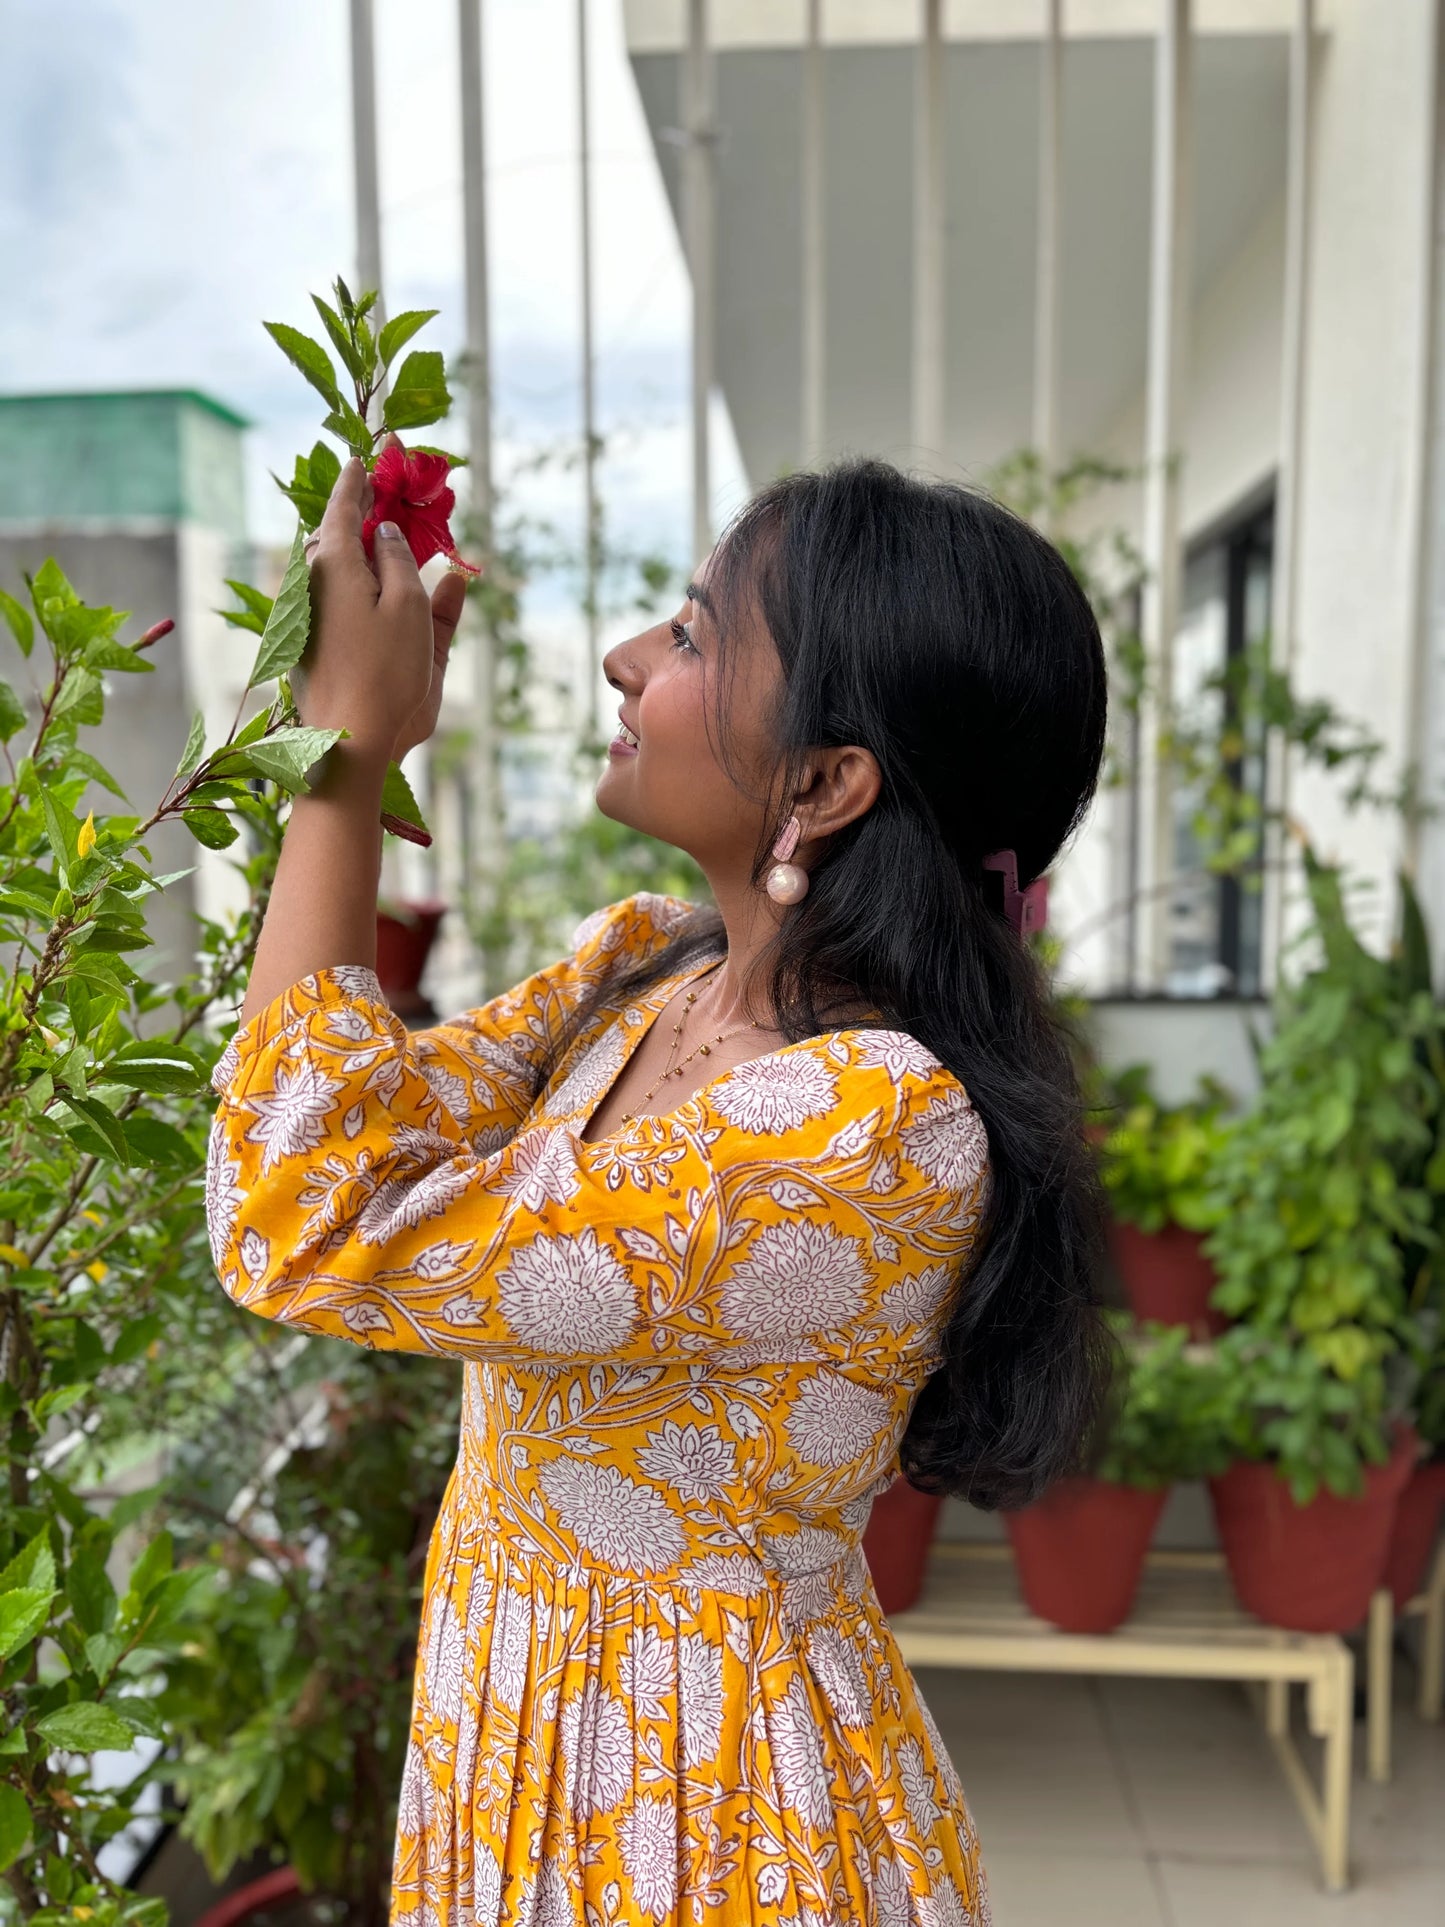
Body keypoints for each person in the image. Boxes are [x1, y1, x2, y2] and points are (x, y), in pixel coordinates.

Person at [207, 452, 1110, 1927]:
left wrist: (348, 764)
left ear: (824, 783)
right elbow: (360, 1137)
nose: (629, 660)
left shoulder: (862, 1129)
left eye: (692, 636)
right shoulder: (645, 969)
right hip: (517, 1728)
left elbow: (298, 1217)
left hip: (705, 1807)